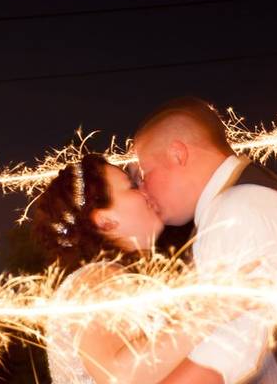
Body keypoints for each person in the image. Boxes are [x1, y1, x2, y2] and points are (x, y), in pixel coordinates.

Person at [134, 97, 277, 384]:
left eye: (145, 174)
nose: (143, 190)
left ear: (178, 154)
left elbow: (222, 360)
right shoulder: (236, 203)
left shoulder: (238, 208)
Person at [31, 153, 213, 384]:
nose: (145, 191)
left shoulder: (115, 279)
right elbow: (117, 375)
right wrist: (216, 310)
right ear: (105, 220)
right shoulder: (95, 280)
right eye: (131, 187)